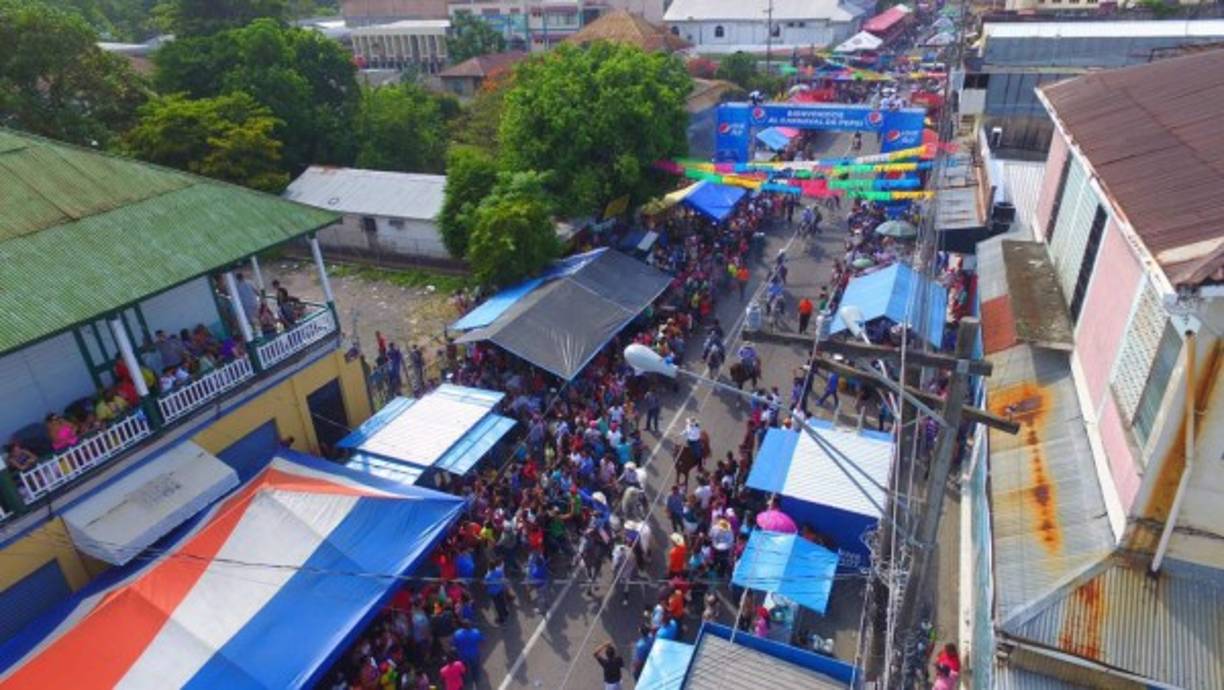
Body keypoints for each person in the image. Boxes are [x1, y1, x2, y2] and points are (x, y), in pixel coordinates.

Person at [485, 559, 511, 625]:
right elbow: (503, 578)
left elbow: (486, 584)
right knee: (502, 601)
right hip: (500, 589)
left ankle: (501, 619)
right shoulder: (499, 570)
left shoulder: (488, 576)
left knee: (497, 605)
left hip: (493, 592)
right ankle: (505, 612)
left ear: (489, 567)